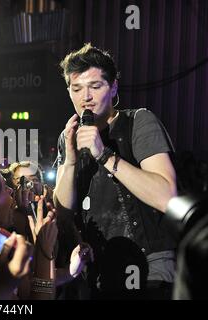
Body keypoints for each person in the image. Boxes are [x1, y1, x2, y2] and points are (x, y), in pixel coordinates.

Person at [53, 43, 178, 299]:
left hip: (148, 268)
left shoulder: (138, 121)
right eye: (76, 89)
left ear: (114, 88)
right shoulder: (69, 137)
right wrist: (70, 160)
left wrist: (104, 155)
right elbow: (63, 215)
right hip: (98, 273)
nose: (85, 96)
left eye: (95, 86)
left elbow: (166, 196)